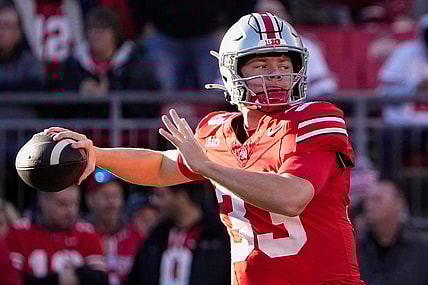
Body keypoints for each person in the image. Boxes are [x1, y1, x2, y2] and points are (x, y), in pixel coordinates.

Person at [44, 12, 363, 284]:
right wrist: (98, 155)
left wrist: (208, 167)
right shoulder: (219, 131)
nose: (276, 75)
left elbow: (292, 197)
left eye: (283, 64)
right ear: (232, 72)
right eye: (262, 66)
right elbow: (160, 167)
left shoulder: (315, 118)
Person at [127, 183, 230, 285]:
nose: (155, 202)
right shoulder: (155, 237)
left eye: (161, 195)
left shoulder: (217, 235)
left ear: (181, 197)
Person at [5, 185, 109, 285]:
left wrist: (79, 273)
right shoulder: (19, 232)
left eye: (74, 204)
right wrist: (56, 280)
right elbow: (11, 279)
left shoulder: (86, 233)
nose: (70, 211)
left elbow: (101, 279)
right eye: (62, 204)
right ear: (43, 201)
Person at [359, 179, 428, 284]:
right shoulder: (355, 247)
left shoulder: (421, 250)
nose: (369, 205)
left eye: (377, 199)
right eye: (367, 200)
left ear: (398, 204)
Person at [85, 177, 144, 285]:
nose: (112, 203)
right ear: (90, 200)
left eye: (116, 196)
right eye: (106, 196)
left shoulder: (136, 237)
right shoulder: (83, 236)